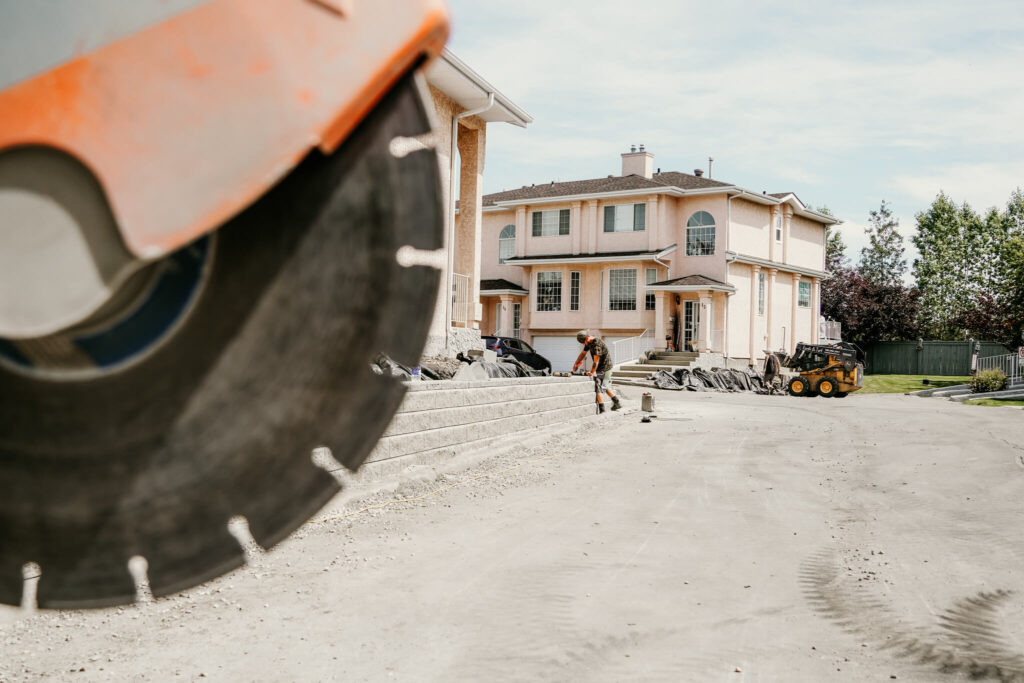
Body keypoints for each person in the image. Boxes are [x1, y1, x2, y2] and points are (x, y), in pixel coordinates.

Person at [572, 331, 621, 413]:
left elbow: (596, 362)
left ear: (586, 338)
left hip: (605, 368)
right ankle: (616, 402)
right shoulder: (589, 342)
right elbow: (583, 353)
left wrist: (592, 372)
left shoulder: (596, 344)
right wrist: (576, 363)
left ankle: (603, 410)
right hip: (600, 368)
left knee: (599, 387)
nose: (584, 344)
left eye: (584, 342)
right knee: (603, 386)